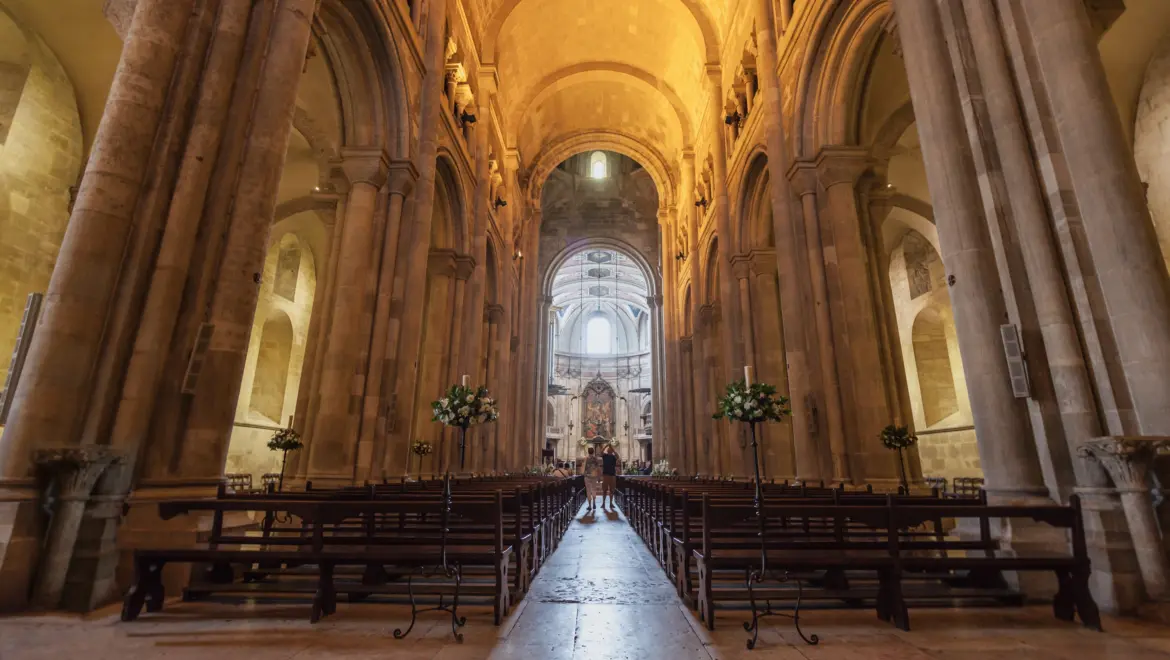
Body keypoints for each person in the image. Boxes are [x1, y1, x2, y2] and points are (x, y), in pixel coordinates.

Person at [601, 445, 619, 509]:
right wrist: (606, 446)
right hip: (606, 475)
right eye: (608, 449)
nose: (609, 449)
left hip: (612, 475)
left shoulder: (614, 457)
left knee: (612, 490)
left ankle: (611, 503)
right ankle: (603, 503)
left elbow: (618, 456)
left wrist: (613, 449)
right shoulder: (605, 456)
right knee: (604, 490)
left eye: (610, 449)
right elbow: (601, 452)